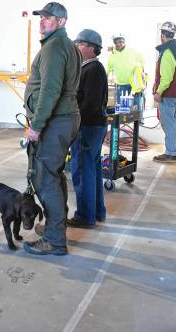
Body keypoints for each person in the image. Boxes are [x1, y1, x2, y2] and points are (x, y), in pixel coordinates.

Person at [23, 2, 81, 256]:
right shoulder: (66, 46)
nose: (42, 21)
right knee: (54, 177)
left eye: (48, 17)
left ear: (62, 22)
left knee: (46, 180)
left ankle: (55, 241)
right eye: (42, 17)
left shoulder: (55, 48)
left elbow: (50, 91)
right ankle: (55, 228)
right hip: (64, 119)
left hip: (55, 121)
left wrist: (36, 126)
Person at [68, 29, 108, 228]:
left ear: (92, 48)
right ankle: (97, 212)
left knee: (83, 172)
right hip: (93, 126)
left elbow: (89, 104)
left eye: (80, 44)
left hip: (88, 127)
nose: (76, 47)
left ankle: (84, 216)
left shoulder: (93, 69)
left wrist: (74, 121)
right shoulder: (88, 68)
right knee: (92, 171)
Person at [152, 21, 176, 163]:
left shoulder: (167, 52)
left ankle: (170, 153)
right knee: (174, 123)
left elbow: (167, 77)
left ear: (163, 35)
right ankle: (175, 152)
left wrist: (159, 92)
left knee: (168, 124)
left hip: (169, 95)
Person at [107, 33, 145, 110]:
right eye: (116, 42)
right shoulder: (112, 55)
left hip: (135, 84)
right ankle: (122, 122)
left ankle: (139, 121)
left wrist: (142, 74)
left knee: (137, 107)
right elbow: (108, 69)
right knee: (122, 109)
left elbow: (142, 62)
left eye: (120, 41)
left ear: (124, 42)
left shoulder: (133, 51)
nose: (118, 44)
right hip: (121, 85)